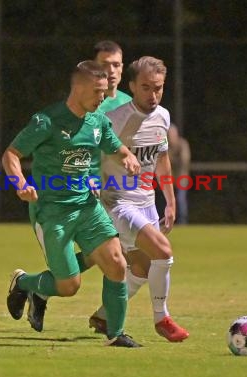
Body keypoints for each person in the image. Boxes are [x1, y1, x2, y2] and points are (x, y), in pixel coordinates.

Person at [2, 60, 142, 348]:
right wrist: (20, 184)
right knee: (69, 286)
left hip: (89, 209)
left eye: (104, 93)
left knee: (116, 263)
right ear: (78, 88)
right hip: (52, 212)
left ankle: (116, 334)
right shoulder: (47, 121)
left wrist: (127, 156)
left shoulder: (98, 122)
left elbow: (116, 147)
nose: (102, 98)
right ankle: (25, 283)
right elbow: (11, 154)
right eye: (98, 92)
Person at [87, 56, 190, 342]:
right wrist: (90, 179)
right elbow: (89, 152)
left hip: (147, 203)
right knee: (164, 252)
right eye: (145, 87)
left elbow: (162, 159)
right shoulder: (116, 119)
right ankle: (162, 318)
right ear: (131, 86)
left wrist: (169, 201)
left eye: (158, 87)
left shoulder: (163, 116)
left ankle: (104, 315)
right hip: (117, 202)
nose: (152, 94)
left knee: (142, 269)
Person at [93, 40, 132, 113]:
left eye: (116, 65)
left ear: (121, 68)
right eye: (104, 65)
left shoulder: (129, 103)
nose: (111, 70)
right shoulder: (81, 102)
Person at [167, 124, 191, 224]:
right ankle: (168, 221)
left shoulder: (182, 144)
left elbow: (184, 160)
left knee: (181, 200)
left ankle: (182, 221)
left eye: (173, 133)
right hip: (169, 179)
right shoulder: (166, 145)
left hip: (182, 178)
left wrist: (171, 159)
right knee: (168, 201)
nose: (171, 135)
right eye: (169, 134)